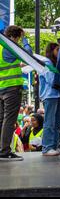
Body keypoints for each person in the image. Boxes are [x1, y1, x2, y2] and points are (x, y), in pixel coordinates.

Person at [0, 25, 32, 161]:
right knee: (9, 120)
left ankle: (2, 150)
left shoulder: (1, 47)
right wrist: (25, 40)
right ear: (15, 36)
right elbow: (28, 54)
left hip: (1, 88)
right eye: (19, 38)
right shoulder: (10, 47)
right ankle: (5, 151)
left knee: (1, 120)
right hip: (11, 89)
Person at [40, 43, 60, 156]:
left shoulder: (54, 63)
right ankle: (47, 147)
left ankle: (54, 145)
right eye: (58, 49)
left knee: (57, 122)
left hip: (56, 95)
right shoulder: (47, 63)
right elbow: (50, 79)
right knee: (50, 122)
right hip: (50, 95)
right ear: (52, 50)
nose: (59, 52)